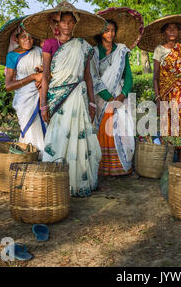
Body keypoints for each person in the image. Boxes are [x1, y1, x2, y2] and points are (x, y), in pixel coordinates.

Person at [39, 11, 102, 197]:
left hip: (78, 96)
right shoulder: (49, 44)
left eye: (70, 22)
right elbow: (46, 76)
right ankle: (56, 181)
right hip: (57, 97)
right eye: (63, 21)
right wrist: (43, 104)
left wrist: (92, 102)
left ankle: (78, 181)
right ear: (57, 24)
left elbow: (87, 76)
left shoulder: (82, 46)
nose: (67, 25)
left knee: (78, 135)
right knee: (58, 136)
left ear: (75, 24)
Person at [92, 20, 135, 176]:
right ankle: (104, 168)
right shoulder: (95, 52)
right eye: (106, 30)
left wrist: (122, 95)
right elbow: (94, 78)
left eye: (112, 30)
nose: (110, 34)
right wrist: (109, 98)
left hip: (119, 95)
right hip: (102, 97)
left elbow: (128, 75)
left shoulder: (122, 50)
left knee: (121, 128)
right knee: (104, 129)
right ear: (100, 33)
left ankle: (121, 167)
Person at [152, 23, 181, 162]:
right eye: (169, 28)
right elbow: (156, 77)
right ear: (164, 31)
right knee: (168, 128)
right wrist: (158, 98)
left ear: (178, 31)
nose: (172, 31)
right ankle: (168, 160)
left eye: (175, 28)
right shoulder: (159, 50)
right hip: (167, 94)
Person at [4, 28, 45, 157]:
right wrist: (32, 77)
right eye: (23, 37)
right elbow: (8, 85)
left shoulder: (38, 51)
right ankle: (32, 157)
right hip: (24, 99)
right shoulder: (12, 56)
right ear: (16, 39)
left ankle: (43, 157)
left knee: (44, 127)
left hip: (41, 95)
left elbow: (47, 69)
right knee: (29, 130)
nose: (28, 40)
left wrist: (42, 73)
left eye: (30, 37)